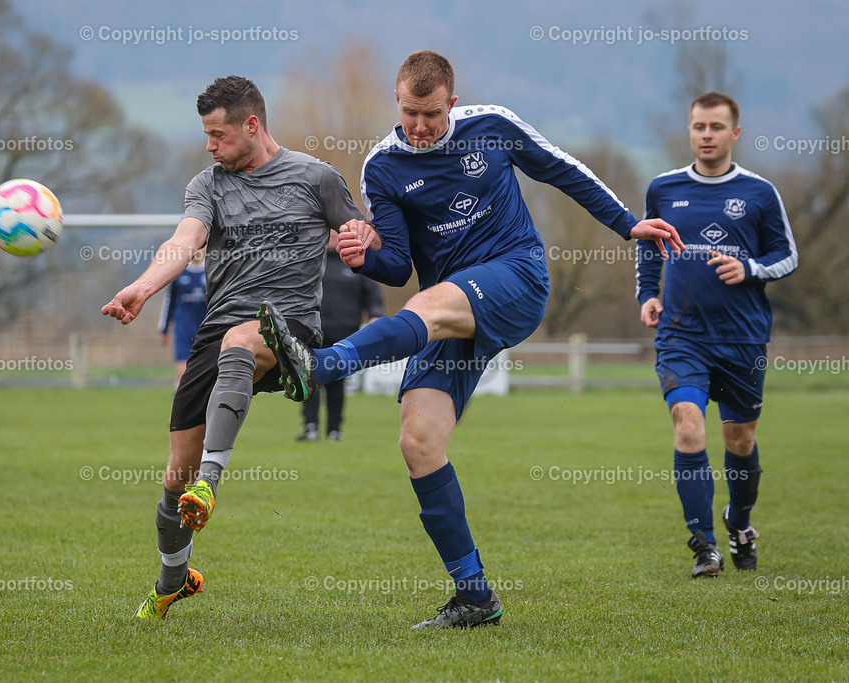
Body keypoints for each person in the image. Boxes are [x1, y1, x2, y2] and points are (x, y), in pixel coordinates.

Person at [258, 50, 683, 630]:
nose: (420, 126)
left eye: (432, 114)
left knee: (427, 307)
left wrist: (626, 223)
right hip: (446, 310)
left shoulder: (493, 126)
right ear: (397, 102)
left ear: (452, 104)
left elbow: (561, 168)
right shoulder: (382, 167)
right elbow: (399, 265)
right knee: (419, 441)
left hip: (517, 275)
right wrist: (364, 257)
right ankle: (474, 596)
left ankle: (319, 366)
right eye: (410, 113)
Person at [101, 75, 362, 620]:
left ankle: (211, 484)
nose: (209, 146)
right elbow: (185, 240)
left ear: (252, 125)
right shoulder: (209, 185)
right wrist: (144, 288)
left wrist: (365, 238)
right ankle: (174, 578)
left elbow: (365, 232)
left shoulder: (316, 178)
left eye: (218, 134)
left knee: (245, 337)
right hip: (217, 336)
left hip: (289, 328)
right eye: (205, 135)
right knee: (175, 476)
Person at [636, 92, 798, 578]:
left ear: (735, 133)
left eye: (716, 127)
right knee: (688, 425)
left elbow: (787, 256)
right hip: (681, 333)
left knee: (740, 441)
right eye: (698, 126)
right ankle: (703, 544)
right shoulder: (662, 189)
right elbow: (648, 248)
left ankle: (740, 522)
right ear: (689, 130)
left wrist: (748, 268)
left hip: (743, 338)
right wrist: (648, 294)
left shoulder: (760, 193)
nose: (706, 135)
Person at [296, 233, 384, 442]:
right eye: (330, 233)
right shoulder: (310, 262)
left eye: (338, 233)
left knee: (337, 383)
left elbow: (373, 295)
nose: (334, 237)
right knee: (310, 380)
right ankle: (310, 427)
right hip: (312, 333)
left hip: (344, 335)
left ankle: (335, 429)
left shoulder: (356, 264)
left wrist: (376, 315)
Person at [159, 248, 208, 388]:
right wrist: (164, 329)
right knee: (183, 372)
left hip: (207, 331)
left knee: (206, 373)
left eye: (202, 246)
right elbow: (169, 302)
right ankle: (181, 407)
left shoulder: (212, 271)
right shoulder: (179, 272)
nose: (199, 249)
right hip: (183, 330)